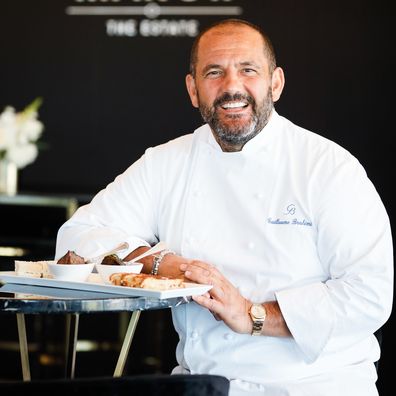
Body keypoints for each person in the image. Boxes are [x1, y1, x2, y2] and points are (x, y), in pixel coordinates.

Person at [56, 19, 393, 396]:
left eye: (248, 70)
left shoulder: (327, 167)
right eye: (214, 72)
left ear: (276, 83)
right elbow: (76, 235)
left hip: (315, 385)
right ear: (193, 90)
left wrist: (252, 314)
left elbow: (369, 294)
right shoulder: (167, 162)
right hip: (204, 385)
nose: (232, 86)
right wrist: (160, 264)